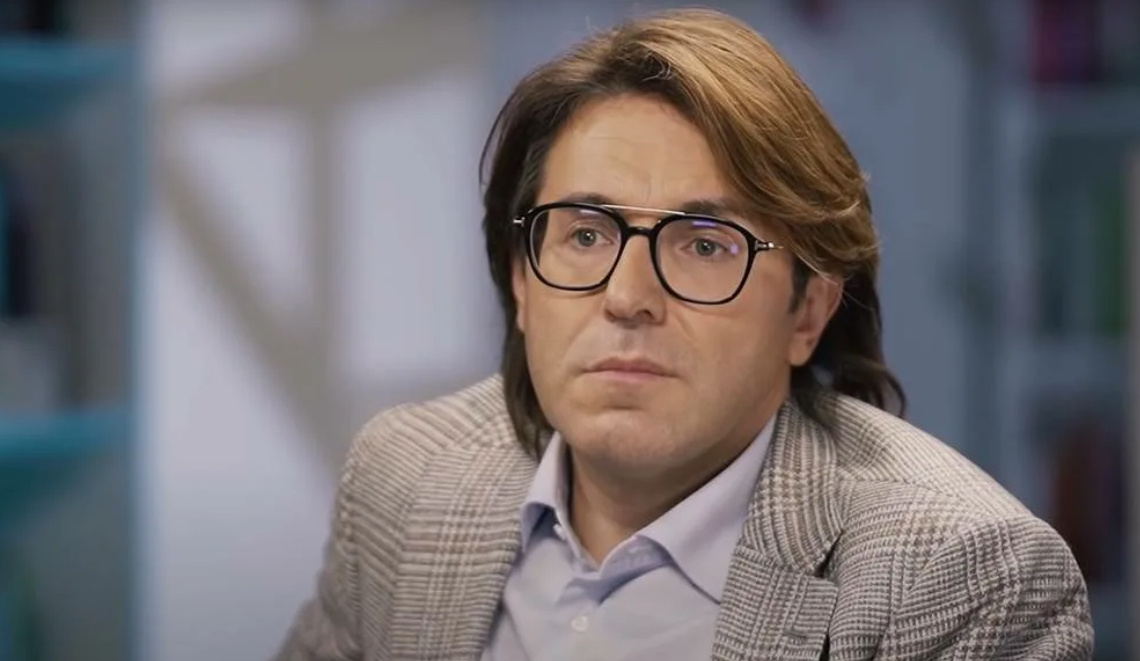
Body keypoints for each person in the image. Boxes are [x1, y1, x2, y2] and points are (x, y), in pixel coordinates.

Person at [274, 8, 1093, 661]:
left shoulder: (963, 578)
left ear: (807, 311)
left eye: (704, 246)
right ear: (521, 282)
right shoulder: (406, 478)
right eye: (584, 234)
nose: (627, 298)